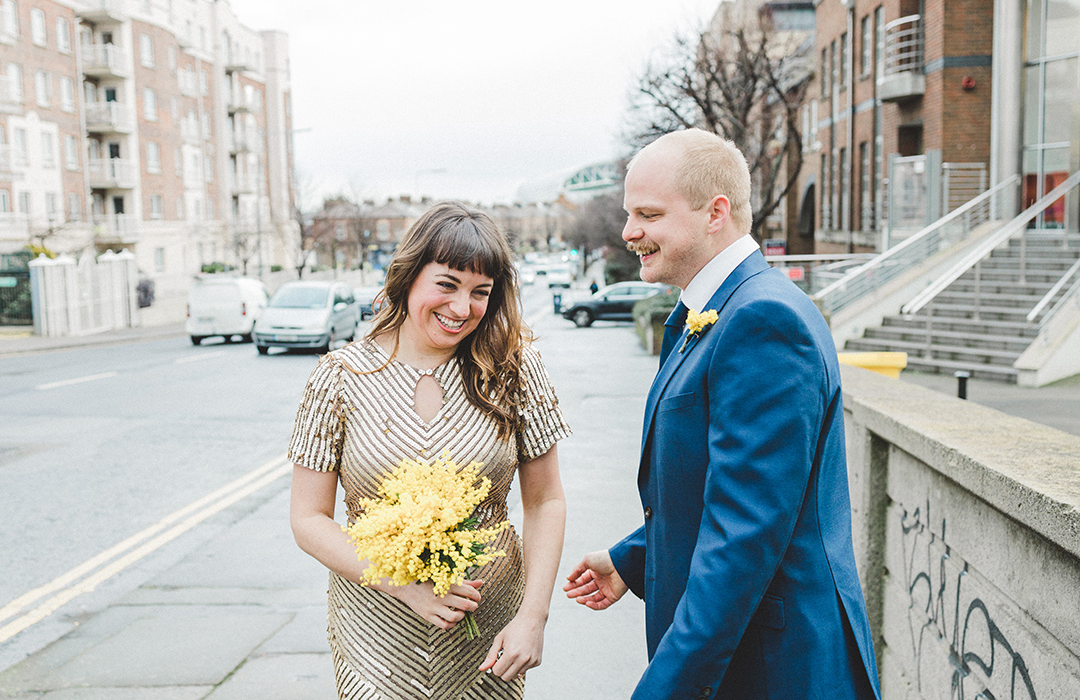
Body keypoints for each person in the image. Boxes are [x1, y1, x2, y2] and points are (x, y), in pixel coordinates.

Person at [563, 129, 881, 700]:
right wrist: (632, 559)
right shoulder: (709, 312)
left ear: (716, 213)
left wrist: (662, 691)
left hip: (772, 667)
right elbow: (723, 488)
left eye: (649, 214)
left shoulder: (763, 322)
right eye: (630, 213)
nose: (628, 232)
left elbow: (745, 535)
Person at [290, 202, 570, 700]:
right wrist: (401, 583)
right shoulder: (338, 378)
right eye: (447, 284)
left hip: (487, 630)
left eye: (480, 292)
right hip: (375, 628)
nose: (462, 308)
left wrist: (534, 617)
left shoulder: (515, 371)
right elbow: (308, 519)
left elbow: (546, 500)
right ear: (408, 275)